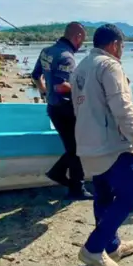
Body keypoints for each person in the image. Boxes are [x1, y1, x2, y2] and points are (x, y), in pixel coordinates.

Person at [71, 24, 133, 266]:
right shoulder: (110, 65)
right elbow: (123, 108)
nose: (121, 51)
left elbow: (77, 109)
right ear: (115, 45)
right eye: (122, 46)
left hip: (87, 143)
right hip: (111, 145)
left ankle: (111, 246)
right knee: (130, 195)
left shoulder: (80, 68)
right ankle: (94, 247)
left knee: (103, 195)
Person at [31, 22, 91, 199]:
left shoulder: (46, 51)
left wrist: (43, 91)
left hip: (53, 107)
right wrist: (85, 89)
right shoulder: (67, 57)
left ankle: (60, 174)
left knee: (73, 147)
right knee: (78, 147)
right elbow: (61, 86)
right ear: (77, 37)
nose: (81, 45)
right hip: (66, 108)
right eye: (82, 40)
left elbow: (36, 75)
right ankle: (76, 188)